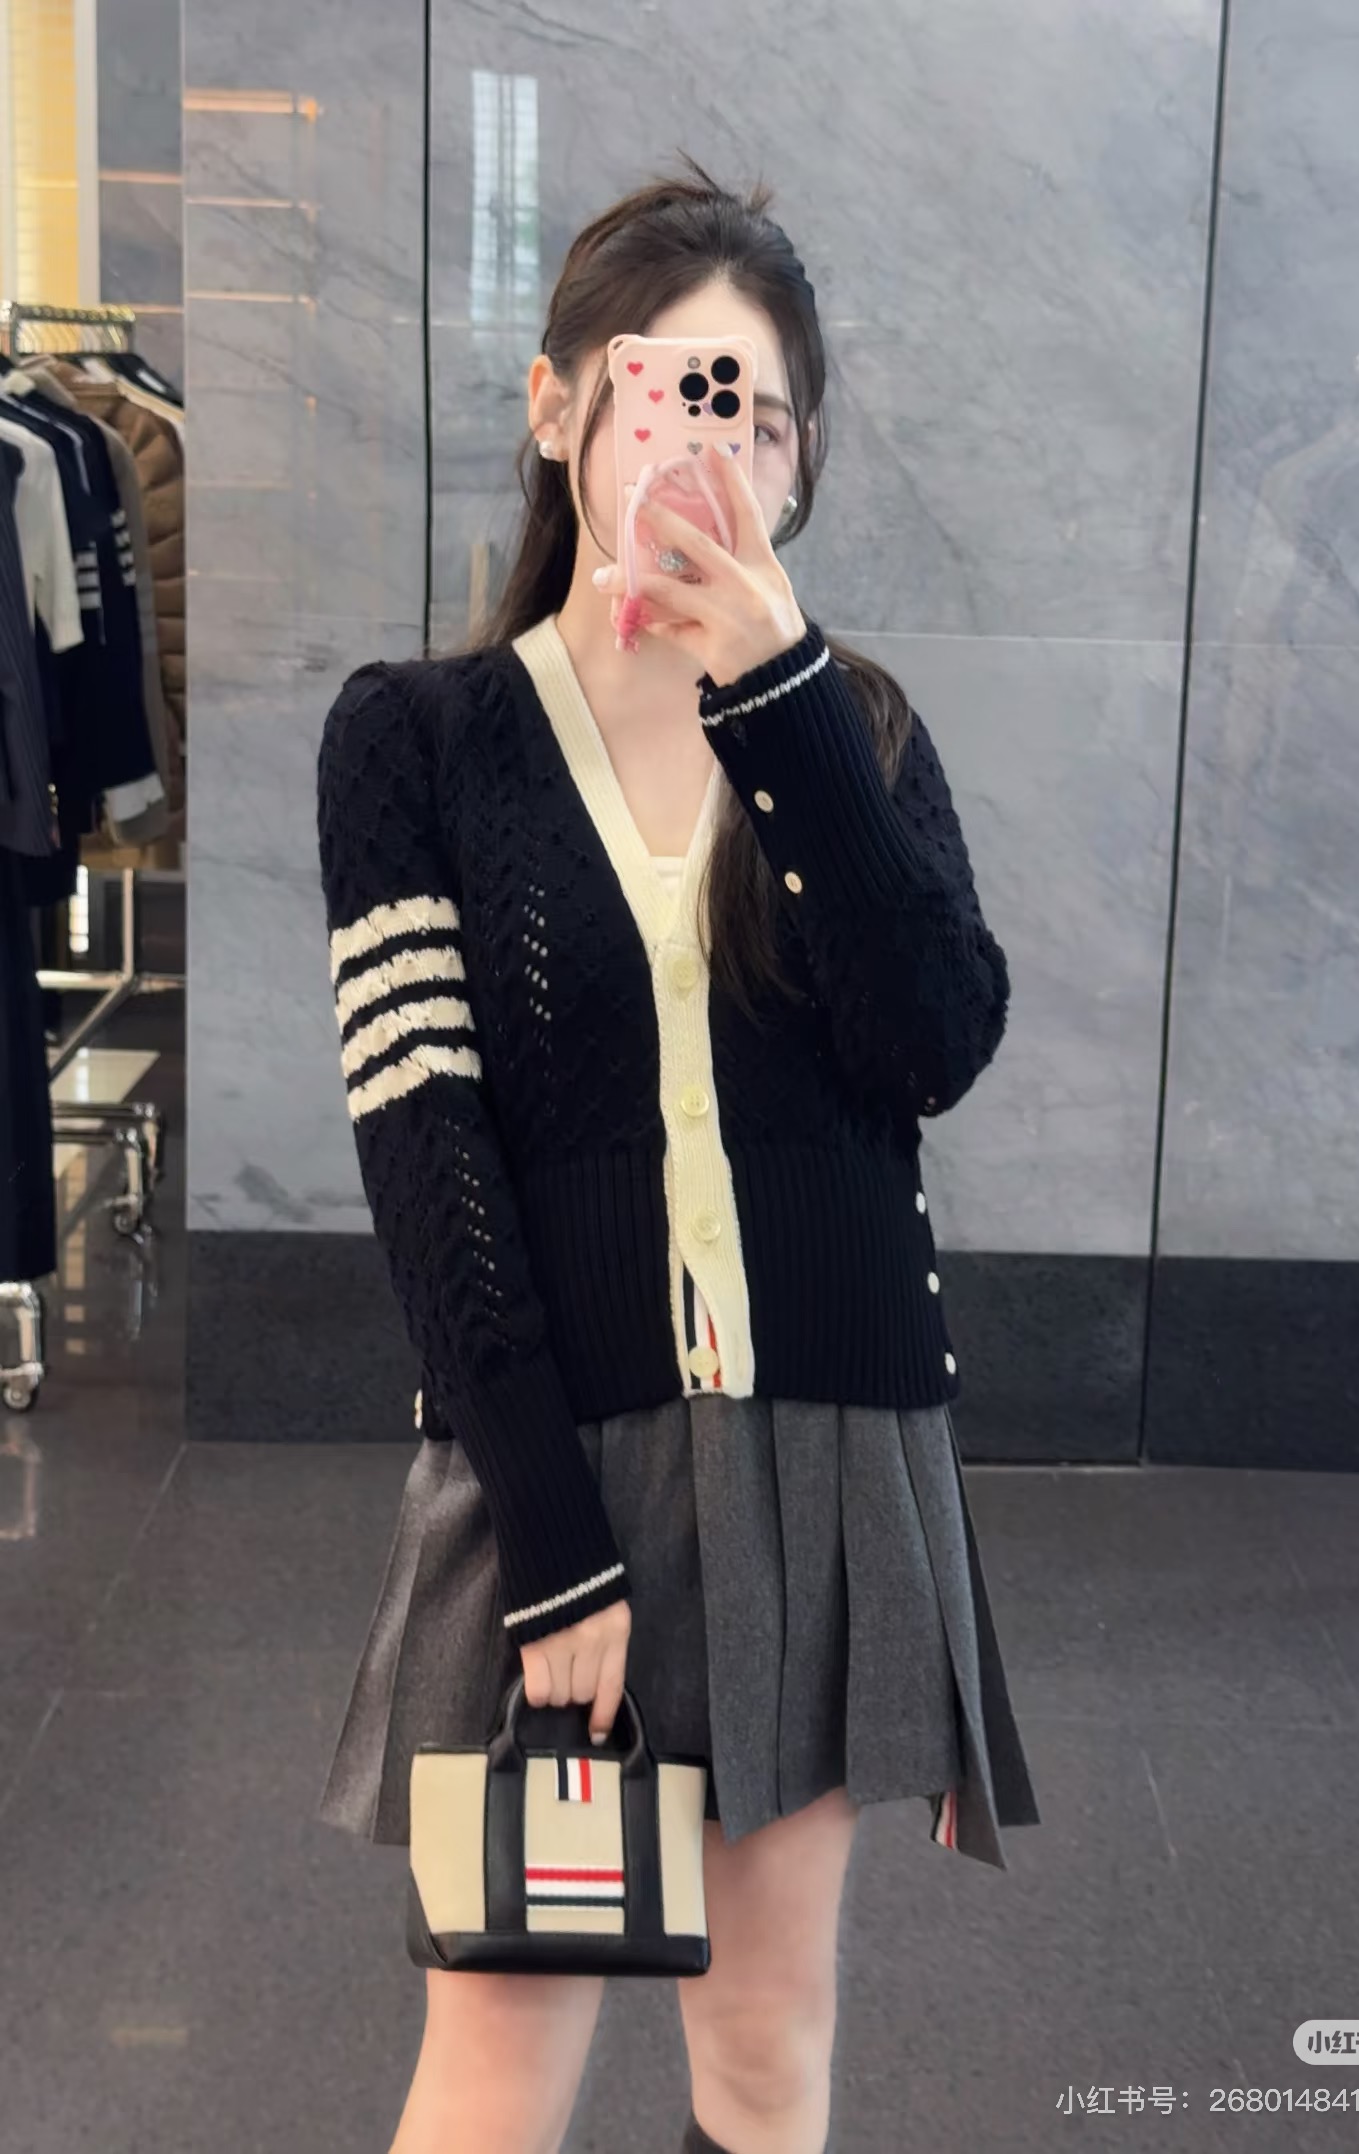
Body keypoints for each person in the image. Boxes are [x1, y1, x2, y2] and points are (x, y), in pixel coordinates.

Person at [314, 157, 1039, 2154]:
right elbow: (427, 1159)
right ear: (561, 405)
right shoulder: (417, 741)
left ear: (802, 466)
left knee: (768, 2041)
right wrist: (555, 1548)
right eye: (677, 388)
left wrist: (776, 696)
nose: (720, 446)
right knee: (498, 2065)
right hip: (557, 1464)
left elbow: (936, 1040)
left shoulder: (851, 727)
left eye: (767, 416)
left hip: (820, 1461)